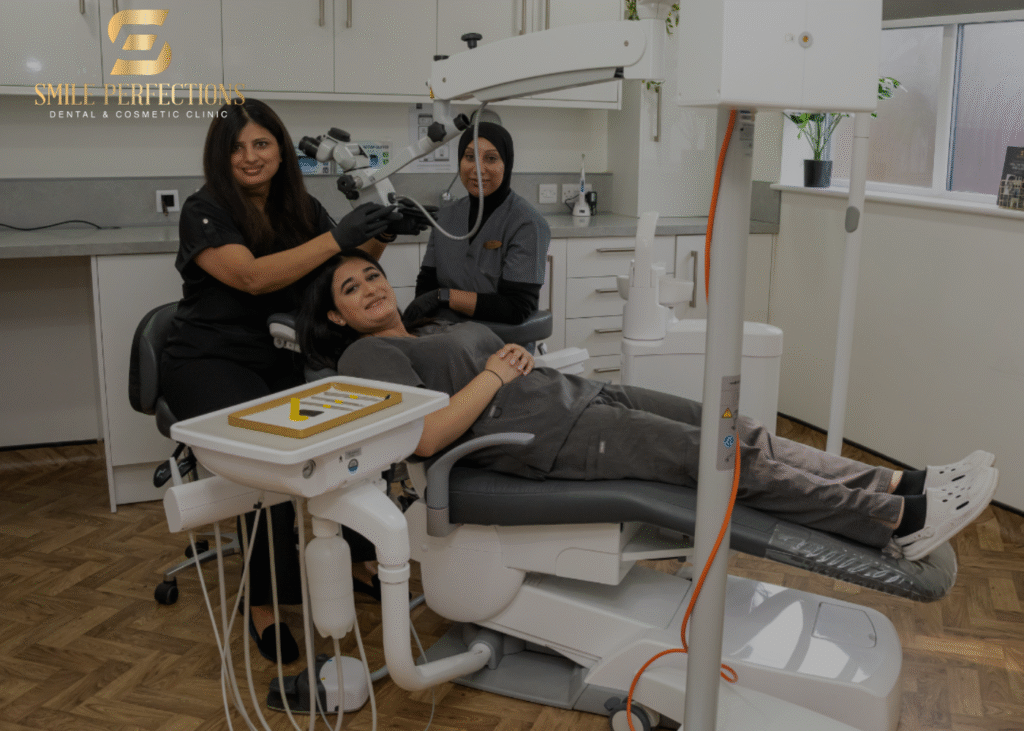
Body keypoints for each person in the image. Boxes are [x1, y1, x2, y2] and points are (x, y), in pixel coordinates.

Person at [298, 250, 999, 562]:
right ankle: (892, 523)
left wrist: (507, 367)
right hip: (546, 437)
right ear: (335, 318)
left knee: (739, 429)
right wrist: (491, 375)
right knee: (720, 457)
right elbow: (423, 438)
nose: (368, 289)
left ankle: (902, 484)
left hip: (582, 397)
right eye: (350, 291)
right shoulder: (365, 358)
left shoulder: (421, 327)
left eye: (370, 276)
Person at [160, 99, 424, 664]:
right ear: (220, 156)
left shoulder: (299, 205)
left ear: (280, 148)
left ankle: (358, 558)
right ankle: (264, 604)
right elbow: (252, 278)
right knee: (271, 464)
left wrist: (383, 235)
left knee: (351, 439)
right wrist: (340, 238)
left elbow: (339, 268)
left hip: (281, 353)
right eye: (237, 148)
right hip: (209, 358)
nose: (250, 157)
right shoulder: (204, 210)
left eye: (261, 143)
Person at [403, 121, 551, 327]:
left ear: (506, 164)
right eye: (470, 157)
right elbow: (426, 288)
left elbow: (517, 308)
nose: (478, 169)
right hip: (445, 335)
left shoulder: (527, 224)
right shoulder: (445, 217)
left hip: (500, 343)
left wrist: (446, 296)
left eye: (491, 158)